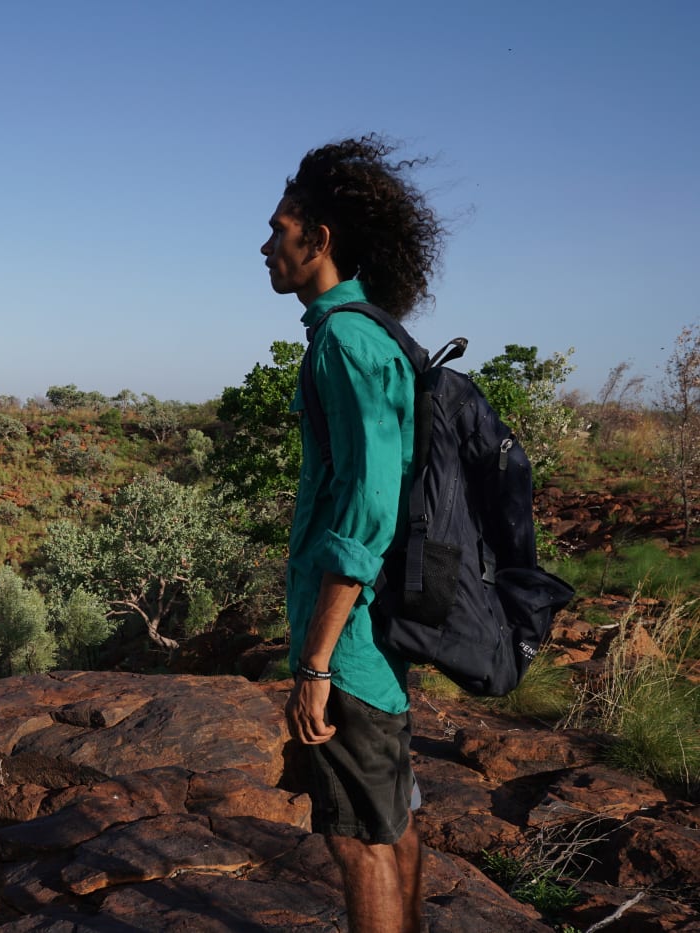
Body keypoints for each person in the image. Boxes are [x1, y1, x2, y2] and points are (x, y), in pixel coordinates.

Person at [261, 135, 445, 933]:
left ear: (319, 240)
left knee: (361, 845)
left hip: (355, 651)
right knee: (392, 824)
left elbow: (366, 511)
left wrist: (316, 660)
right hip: (379, 646)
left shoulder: (345, 341)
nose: (266, 246)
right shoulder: (375, 334)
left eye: (279, 229)